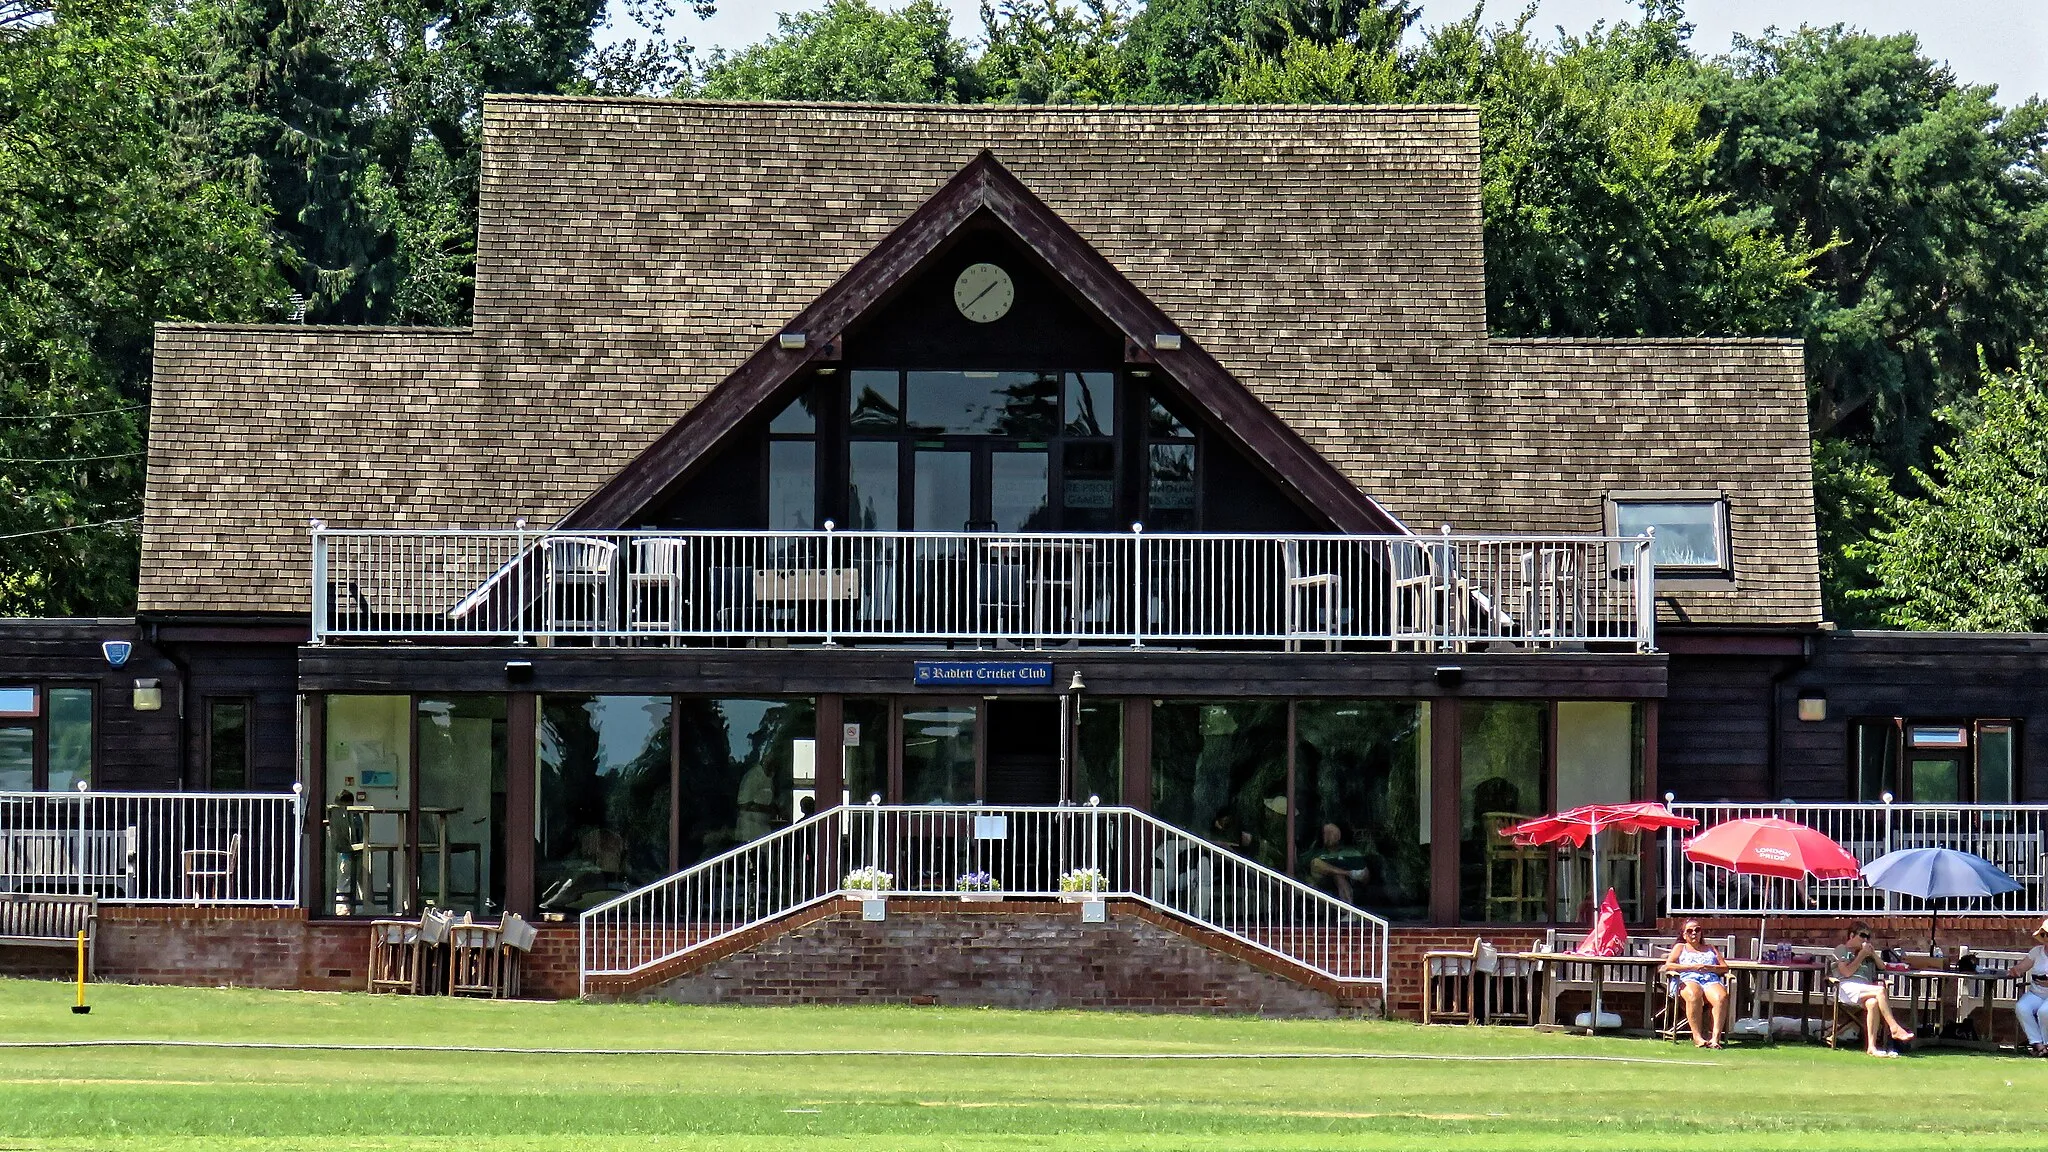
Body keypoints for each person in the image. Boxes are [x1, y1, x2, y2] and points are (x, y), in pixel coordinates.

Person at [1834, 921, 1915, 1057]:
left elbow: (1882, 966)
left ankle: (1871, 1047)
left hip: (1864, 989)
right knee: (1880, 990)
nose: (1865, 940)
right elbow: (1846, 973)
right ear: (1851, 935)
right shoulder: (1842, 949)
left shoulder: (1866, 954)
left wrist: (1872, 954)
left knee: (1873, 1003)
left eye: (1868, 937)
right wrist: (1860, 956)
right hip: (1847, 987)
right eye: (1862, 936)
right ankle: (1894, 1028)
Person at [1661, 920, 1731, 1048]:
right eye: (1689, 931)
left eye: (1697, 930)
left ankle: (1715, 1039)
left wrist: (1709, 967)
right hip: (1688, 977)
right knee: (1694, 994)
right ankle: (1697, 1037)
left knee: (1721, 997)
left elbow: (1724, 968)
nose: (1694, 933)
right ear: (1683, 935)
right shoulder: (1680, 947)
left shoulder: (1710, 948)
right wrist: (1691, 967)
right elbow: (1668, 965)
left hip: (1709, 978)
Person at [1305, 823, 1371, 904]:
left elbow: (1365, 875)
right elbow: (1312, 865)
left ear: (1339, 836)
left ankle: (1347, 909)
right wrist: (1347, 873)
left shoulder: (1350, 852)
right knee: (1317, 863)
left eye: (1332, 833)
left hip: (1349, 883)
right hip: (1321, 883)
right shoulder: (1316, 852)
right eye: (1326, 833)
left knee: (1339, 877)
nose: (1328, 836)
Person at [2014, 919, 2048, 1057]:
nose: (2046, 938)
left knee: (2044, 1012)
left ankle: (2046, 1044)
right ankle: (2038, 1044)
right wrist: (2015, 970)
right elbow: (2022, 967)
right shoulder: (2036, 951)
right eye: (2044, 934)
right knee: (2022, 1007)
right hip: (2036, 992)